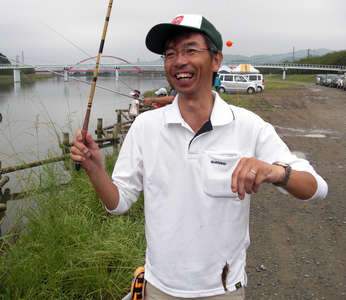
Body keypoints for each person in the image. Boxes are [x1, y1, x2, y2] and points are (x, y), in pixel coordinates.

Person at [71, 14, 328, 299]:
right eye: (170, 53)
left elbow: (317, 189)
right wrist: (95, 169)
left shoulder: (248, 124)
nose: (179, 60)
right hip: (159, 288)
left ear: (216, 60)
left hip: (224, 288)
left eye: (190, 50)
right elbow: (118, 203)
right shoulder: (145, 126)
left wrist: (275, 171)